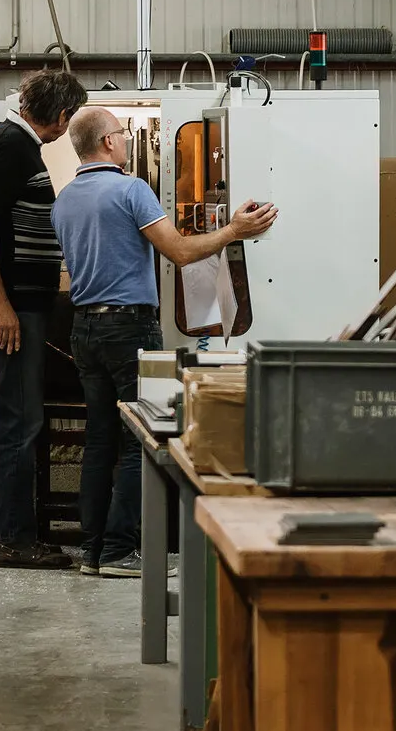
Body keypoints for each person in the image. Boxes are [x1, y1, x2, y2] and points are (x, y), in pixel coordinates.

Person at [52, 106, 278, 577]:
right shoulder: (131, 189)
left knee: (100, 441)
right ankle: (119, 552)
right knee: (143, 437)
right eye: (121, 132)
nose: (128, 140)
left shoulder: (66, 198)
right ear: (108, 142)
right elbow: (177, 251)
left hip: (85, 329)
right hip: (128, 328)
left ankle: (93, 551)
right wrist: (234, 231)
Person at [0, 69, 90, 569]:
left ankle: (5, 533)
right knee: (24, 421)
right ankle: (19, 540)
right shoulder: (11, 146)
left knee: (14, 418)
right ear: (61, 117)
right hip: (15, 307)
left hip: (22, 304)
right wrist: (2, 307)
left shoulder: (19, 146)